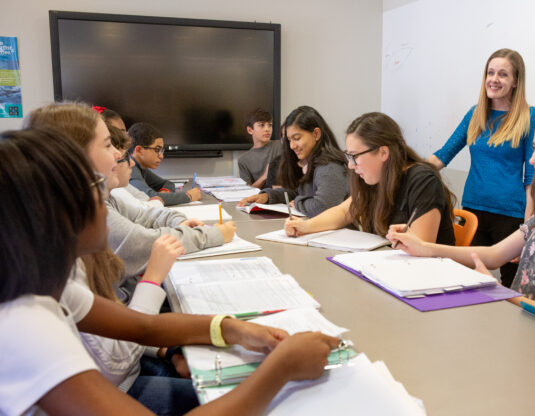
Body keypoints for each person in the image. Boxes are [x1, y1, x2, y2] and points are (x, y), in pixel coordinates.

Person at [0, 127, 340, 415]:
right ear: (51, 214)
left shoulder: (48, 285)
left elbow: (146, 326)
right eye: (94, 187)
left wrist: (237, 329)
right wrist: (280, 370)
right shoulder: (26, 326)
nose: (105, 199)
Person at [389, 106, 535, 325]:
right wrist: (425, 248)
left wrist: (500, 292)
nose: (533, 159)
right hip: (521, 326)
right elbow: (494, 255)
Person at [427, 48, 535, 287]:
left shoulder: (530, 116)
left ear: (515, 82)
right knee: (467, 282)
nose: (494, 79)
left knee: (512, 285)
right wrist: (405, 170)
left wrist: (528, 226)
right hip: (474, 211)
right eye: (490, 72)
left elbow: (532, 177)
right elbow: (443, 155)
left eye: (503, 74)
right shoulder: (476, 113)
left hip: (511, 217)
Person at [106, 125, 236, 301]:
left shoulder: (109, 196)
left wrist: (179, 221)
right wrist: (214, 234)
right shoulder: (97, 209)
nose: (129, 162)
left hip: (133, 295)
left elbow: (144, 215)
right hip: (126, 304)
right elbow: (145, 242)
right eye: (120, 156)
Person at [285, 112, 456, 244]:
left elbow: (421, 247)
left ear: (383, 152)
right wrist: (305, 226)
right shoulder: (374, 178)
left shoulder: (423, 181)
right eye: (349, 156)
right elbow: (344, 212)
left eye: (355, 156)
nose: (351, 165)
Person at [238, 106, 349, 217]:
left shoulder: (330, 166)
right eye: (289, 140)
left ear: (316, 134)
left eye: (296, 138)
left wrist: (297, 203)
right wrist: (267, 196)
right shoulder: (311, 162)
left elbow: (323, 206)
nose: (292, 146)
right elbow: (297, 192)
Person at [128, 122, 202, 206]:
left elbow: (168, 184)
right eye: (157, 150)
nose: (161, 156)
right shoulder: (130, 169)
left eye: (162, 151)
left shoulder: (141, 167)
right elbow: (149, 197)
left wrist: (164, 193)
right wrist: (188, 196)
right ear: (139, 150)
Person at [238, 108, 281, 188]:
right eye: (262, 125)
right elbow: (247, 191)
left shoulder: (281, 145)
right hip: (260, 199)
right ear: (250, 130)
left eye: (270, 125)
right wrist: (264, 177)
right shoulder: (243, 160)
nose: (267, 129)